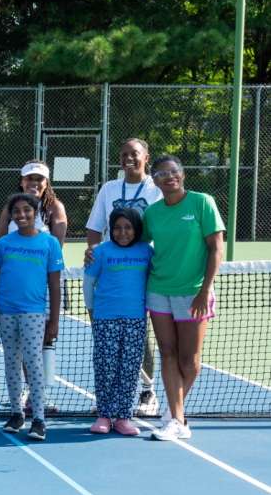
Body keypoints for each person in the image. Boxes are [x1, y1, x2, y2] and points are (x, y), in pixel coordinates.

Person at [142, 155, 224, 442]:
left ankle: (174, 411)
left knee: (189, 361)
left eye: (173, 171)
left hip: (193, 292)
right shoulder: (152, 213)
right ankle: (177, 419)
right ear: (154, 180)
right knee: (167, 353)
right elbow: (139, 246)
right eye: (161, 173)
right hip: (158, 291)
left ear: (183, 174)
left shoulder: (203, 202)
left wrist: (204, 291)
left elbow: (216, 249)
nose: (169, 176)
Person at [84, 138, 164, 411]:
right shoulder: (109, 189)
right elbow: (95, 228)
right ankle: (107, 398)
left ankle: (147, 392)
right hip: (113, 271)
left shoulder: (157, 189)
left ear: (146, 157)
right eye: (124, 154)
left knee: (142, 333)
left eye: (135, 154)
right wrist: (94, 252)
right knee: (108, 341)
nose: (129, 158)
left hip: (144, 269)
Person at [0, 193, 64, 442]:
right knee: (11, 360)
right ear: (11, 216)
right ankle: (16, 413)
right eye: (16, 212)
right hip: (5, 310)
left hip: (34, 312)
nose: (22, 215)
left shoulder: (50, 243)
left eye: (27, 211)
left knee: (33, 362)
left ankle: (39, 418)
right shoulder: (3, 244)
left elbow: (55, 285)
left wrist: (53, 320)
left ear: (36, 214)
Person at [83, 209, 152, 436]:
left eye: (128, 227)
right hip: (105, 319)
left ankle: (123, 416)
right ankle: (104, 415)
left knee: (130, 369)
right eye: (117, 228)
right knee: (106, 367)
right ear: (110, 230)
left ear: (136, 230)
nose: (122, 232)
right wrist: (92, 313)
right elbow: (88, 284)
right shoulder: (100, 252)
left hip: (136, 320)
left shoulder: (146, 252)